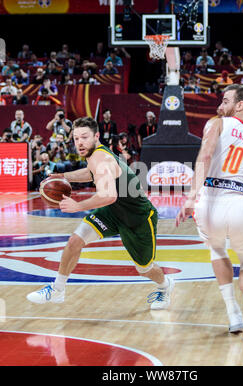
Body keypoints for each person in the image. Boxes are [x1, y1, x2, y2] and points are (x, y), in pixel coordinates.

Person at [27, 117, 174, 310]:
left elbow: (109, 195)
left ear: (96, 136)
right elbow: (90, 173)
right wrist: (64, 176)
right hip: (113, 212)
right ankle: (57, 289)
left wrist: (77, 206)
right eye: (76, 138)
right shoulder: (95, 155)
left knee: (144, 268)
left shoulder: (101, 158)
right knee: (75, 241)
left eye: (84, 137)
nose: (79, 142)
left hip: (137, 218)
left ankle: (165, 286)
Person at [176, 85, 243, 341]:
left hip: (209, 202)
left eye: (225, 100)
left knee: (216, 250)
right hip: (241, 202)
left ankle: (233, 315)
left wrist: (191, 197)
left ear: (239, 105)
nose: (220, 104)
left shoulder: (217, 123)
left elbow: (204, 155)